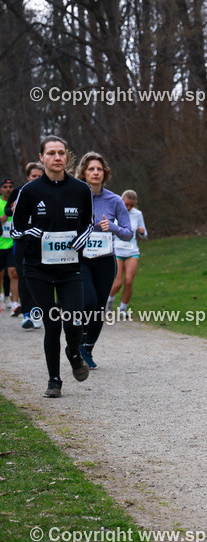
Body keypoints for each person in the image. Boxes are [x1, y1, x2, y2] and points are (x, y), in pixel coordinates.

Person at [11, 136, 94, 397]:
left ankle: (73, 352)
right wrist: (30, 232)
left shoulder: (81, 190)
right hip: (38, 268)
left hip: (70, 268)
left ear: (66, 156)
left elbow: (88, 223)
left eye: (61, 153)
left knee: (73, 322)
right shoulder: (29, 191)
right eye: (51, 153)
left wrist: (82, 238)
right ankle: (54, 381)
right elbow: (15, 229)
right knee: (53, 324)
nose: (57, 157)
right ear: (42, 157)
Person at [77, 153, 132, 368]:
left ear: (105, 173)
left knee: (99, 308)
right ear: (83, 173)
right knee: (88, 301)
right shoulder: (75, 197)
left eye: (99, 169)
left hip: (105, 260)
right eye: (91, 169)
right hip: (82, 258)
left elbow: (128, 233)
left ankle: (87, 348)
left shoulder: (114, 200)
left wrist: (113, 227)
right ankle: (79, 339)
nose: (95, 172)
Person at [6, 162, 44, 328]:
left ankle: (37, 311)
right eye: (33, 176)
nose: (36, 178)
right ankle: (27, 313)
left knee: (41, 276)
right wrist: (13, 209)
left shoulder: (47, 192)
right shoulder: (18, 191)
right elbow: (7, 211)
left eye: (39, 176)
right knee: (23, 275)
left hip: (42, 240)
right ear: (28, 177)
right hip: (22, 239)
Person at [107, 189, 147, 318]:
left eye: (131, 205)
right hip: (117, 251)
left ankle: (123, 310)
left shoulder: (138, 214)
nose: (128, 207)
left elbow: (145, 234)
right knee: (117, 283)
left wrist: (142, 232)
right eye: (126, 204)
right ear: (121, 201)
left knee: (129, 281)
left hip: (132, 251)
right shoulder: (114, 211)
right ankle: (108, 303)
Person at [0, 179, 19, 315]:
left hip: (13, 243)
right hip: (0, 244)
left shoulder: (17, 202)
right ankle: (3, 298)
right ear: (1, 189)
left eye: (10, 186)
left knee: (13, 273)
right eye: (5, 187)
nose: (8, 189)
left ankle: (15, 304)